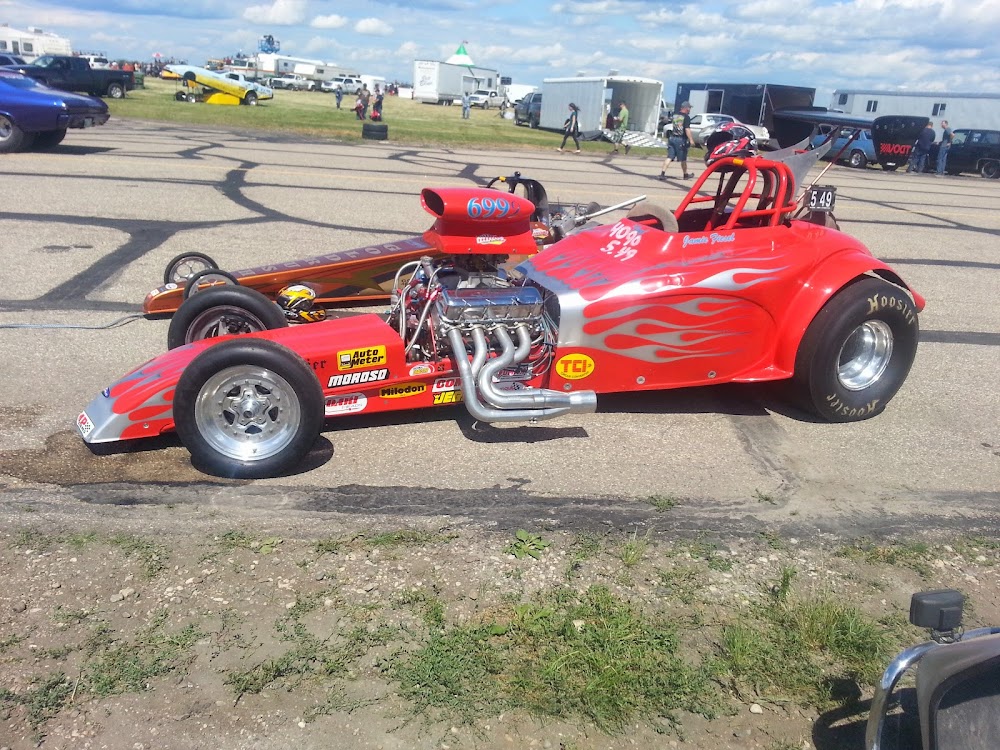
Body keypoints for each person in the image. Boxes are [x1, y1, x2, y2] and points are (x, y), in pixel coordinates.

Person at [659, 101, 696, 180]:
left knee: (669, 157)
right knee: (683, 158)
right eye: (689, 108)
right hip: (680, 139)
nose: (689, 109)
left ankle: (662, 173)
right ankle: (685, 175)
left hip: (672, 138)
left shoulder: (675, 115)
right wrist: (691, 140)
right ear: (686, 108)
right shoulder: (686, 117)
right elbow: (687, 129)